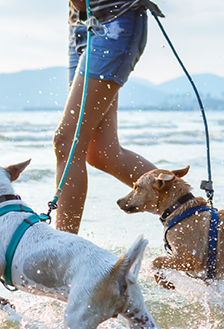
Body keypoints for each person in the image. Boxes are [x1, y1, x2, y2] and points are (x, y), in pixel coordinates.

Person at [53, 0, 157, 234]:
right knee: (102, 153)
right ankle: (193, 213)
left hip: (116, 21)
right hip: (80, 26)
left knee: (67, 142)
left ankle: (61, 252)